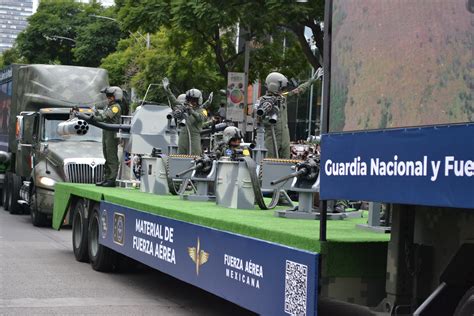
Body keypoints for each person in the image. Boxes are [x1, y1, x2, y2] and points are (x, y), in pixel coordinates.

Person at [256, 68, 323, 159]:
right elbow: (258, 119)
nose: (283, 90)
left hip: (285, 138)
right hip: (272, 137)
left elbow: (298, 90)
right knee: (269, 164)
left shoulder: (282, 98)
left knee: (285, 164)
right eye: (282, 88)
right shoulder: (262, 101)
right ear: (275, 86)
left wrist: (311, 81)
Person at [94, 86, 123, 187]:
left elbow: (105, 117)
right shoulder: (109, 106)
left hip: (111, 133)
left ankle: (111, 179)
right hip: (106, 132)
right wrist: (95, 112)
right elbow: (103, 116)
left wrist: (94, 117)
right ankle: (107, 178)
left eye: (110, 96)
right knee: (106, 155)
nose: (108, 98)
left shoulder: (115, 107)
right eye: (107, 96)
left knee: (111, 156)